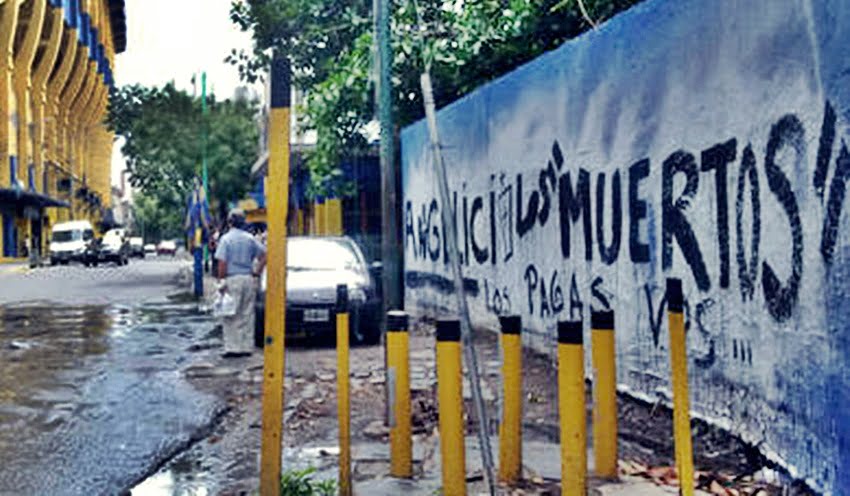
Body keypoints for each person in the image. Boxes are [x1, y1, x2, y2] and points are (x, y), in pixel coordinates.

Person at [215, 209, 266, 357]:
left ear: (230, 222)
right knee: (247, 313)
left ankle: (233, 348)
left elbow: (222, 263)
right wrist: (257, 271)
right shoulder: (250, 238)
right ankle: (246, 347)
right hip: (248, 278)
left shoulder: (226, 239)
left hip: (232, 279)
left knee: (231, 313)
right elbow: (264, 255)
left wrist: (221, 281)